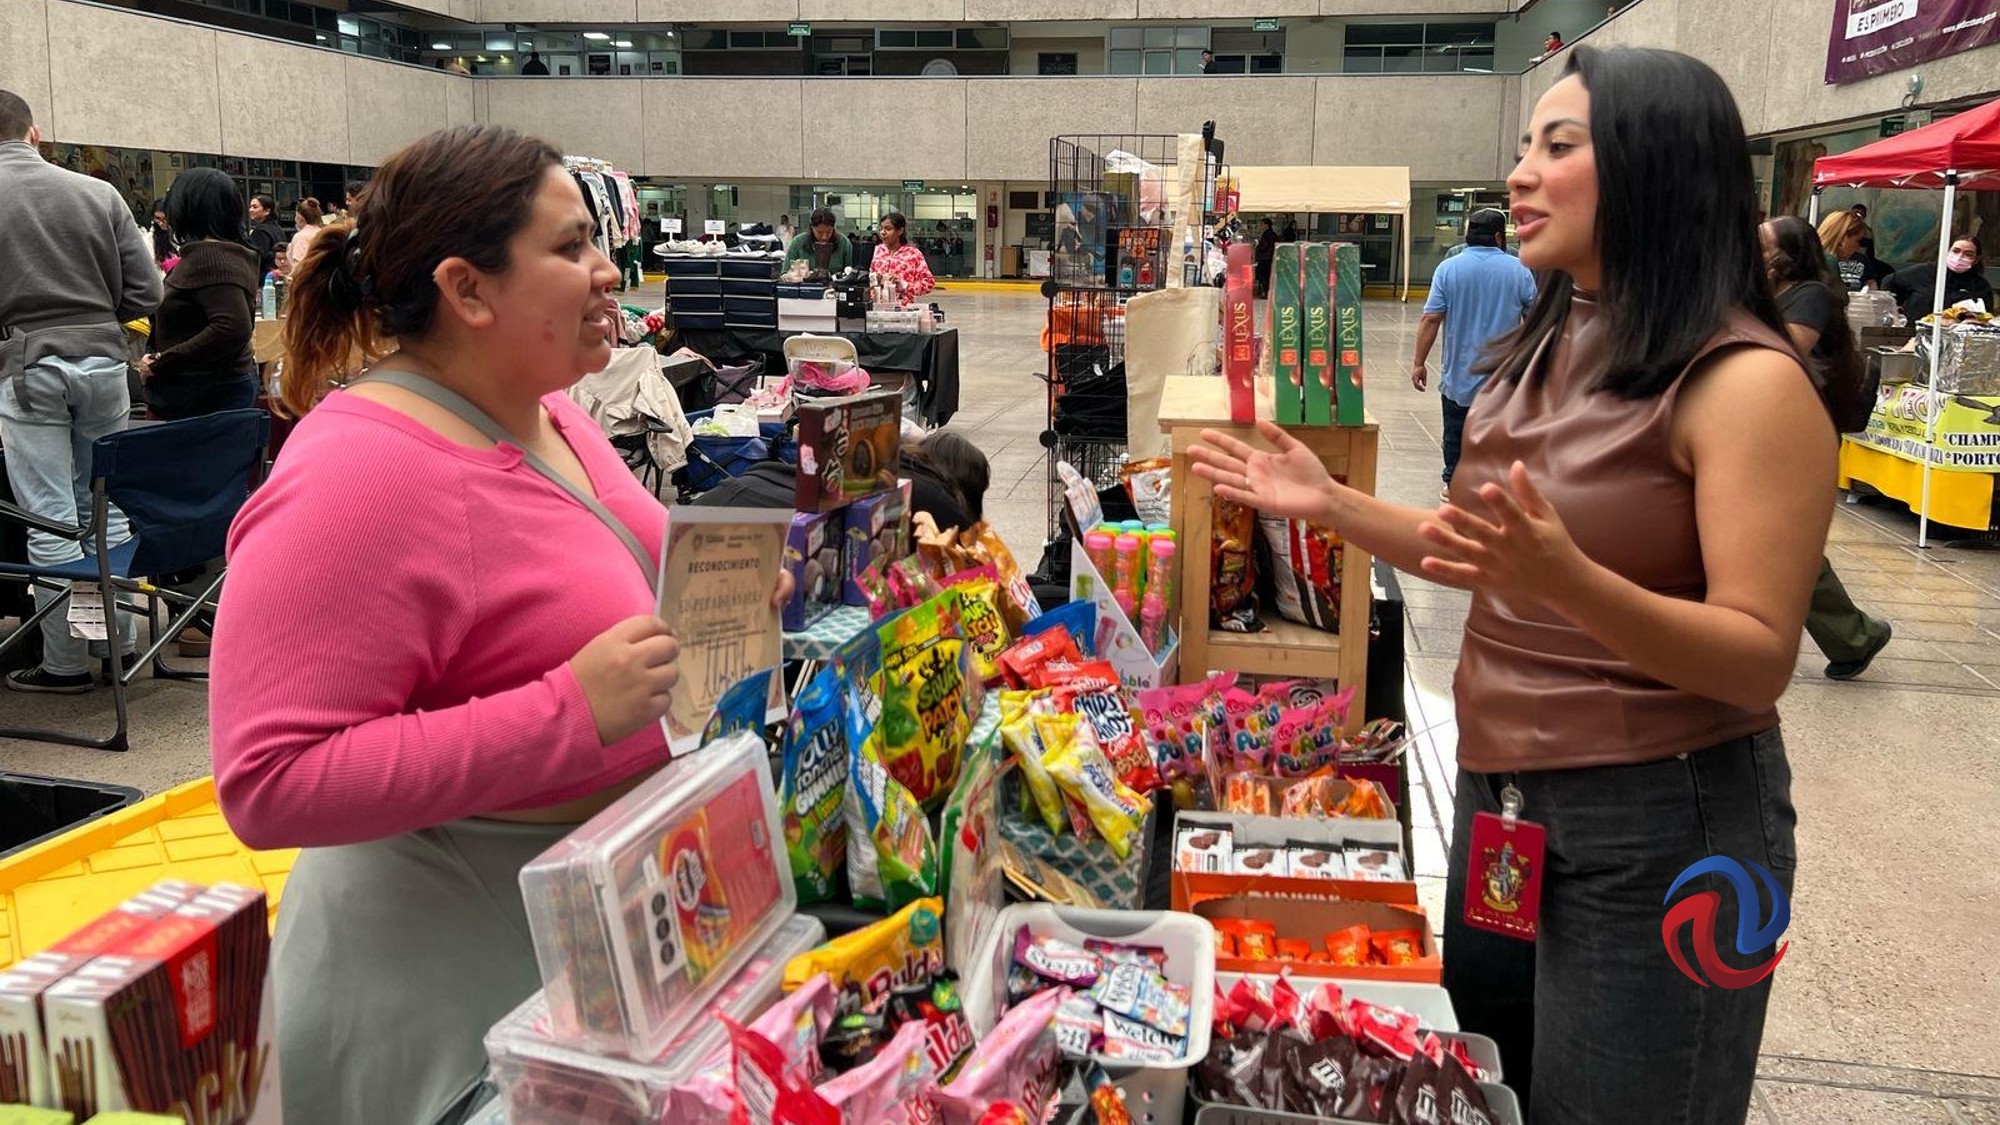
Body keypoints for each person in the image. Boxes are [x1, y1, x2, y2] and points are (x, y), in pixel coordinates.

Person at [1189, 47, 1827, 1124]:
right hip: (1507, 806)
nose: (1519, 173)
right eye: (1524, 144)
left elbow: (1757, 653)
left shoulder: (1747, 383)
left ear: (1655, 166)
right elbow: (1472, 550)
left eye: (1558, 146)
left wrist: (1569, 582)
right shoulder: (1549, 341)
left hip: (1664, 825)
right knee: (1490, 1085)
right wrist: (1333, 505)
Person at [208, 124, 788, 1125]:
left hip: (585, 948)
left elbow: (628, 571)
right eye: (570, 247)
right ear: (467, 290)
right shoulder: (355, 474)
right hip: (446, 1002)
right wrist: (569, 711)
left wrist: (733, 593)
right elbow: (269, 780)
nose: (608, 272)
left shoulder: (554, 415)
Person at [0, 88, 159, 693]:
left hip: (27, 365)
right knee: (106, 509)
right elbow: (148, 294)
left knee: (49, 520)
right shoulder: (99, 193)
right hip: (104, 365)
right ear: (34, 133)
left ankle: (64, 665)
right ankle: (118, 645)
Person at [1760, 215, 1893, 680]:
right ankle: (1852, 636)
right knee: (1774, 538)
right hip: (1772, 424)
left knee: (1783, 538)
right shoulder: (1772, 293)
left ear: (1789, 253)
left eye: (1764, 243)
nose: (1755, 250)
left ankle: (1853, 635)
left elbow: (1785, 349)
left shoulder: (1811, 294)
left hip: (1801, 428)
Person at [1411, 208, 1536, 497]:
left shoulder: (1448, 268)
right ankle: (1494, 484)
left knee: (1455, 429)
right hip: (1502, 376)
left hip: (1459, 373)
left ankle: (1453, 482)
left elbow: (1431, 318)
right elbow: (1534, 319)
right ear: (1498, 236)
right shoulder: (1519, 269)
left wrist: (1419, 363)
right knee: (1498, 431)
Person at [141, 167, 260, 421]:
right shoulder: (229, 252)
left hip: (204, 392)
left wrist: (162, 362)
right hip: (211, 387)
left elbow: (232, 328)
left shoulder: (211, 257)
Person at [1886, 235, 1993, 323]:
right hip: (1913, 334)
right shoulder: (1923, 272)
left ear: (1976, 260)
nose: (1960, 257)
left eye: (1968, 254)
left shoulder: (1980, 286)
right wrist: (1895, 310)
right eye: (1956, 251)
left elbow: (1985, 318)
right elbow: (1889, 282)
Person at [871, 212, 936, 304]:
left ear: (900, 231)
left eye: (888, 229)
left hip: (903, 308)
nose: (883, 232)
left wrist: (904, 285)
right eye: (881, 229)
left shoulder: (913, 254)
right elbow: (863, 279)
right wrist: (874, 279)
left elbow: (929, 284)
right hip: (876, 307)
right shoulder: (875, 251)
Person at [784, 206, 852, 274]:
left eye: (828, 232)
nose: (824, 237)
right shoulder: (798, 243)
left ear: (833, 228)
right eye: (819, 232)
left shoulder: (844, 243)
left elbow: (851, 273)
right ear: (812, 227)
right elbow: (785, 273)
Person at [1816, 209, 1872, 292]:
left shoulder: (1810, 258)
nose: (1858, 247)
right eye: (1858, 241)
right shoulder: (1828, 262)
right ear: (1842, 239)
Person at [245, 193, 283, 279]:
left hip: (264, 277)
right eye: (250, 207)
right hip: (278, 274)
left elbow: (259, 256)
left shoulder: (260, 231)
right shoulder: (278, 228)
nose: (250, 210)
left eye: (255, 207)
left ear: (267, 211)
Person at [288, 198, 325, 279]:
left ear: (300, 218)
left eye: (295, 216)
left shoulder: (301, 237)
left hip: (308, 281)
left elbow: (299, 265)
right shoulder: (324, 233)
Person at [1253, 217, 1277, 298]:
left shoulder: (1266, 234)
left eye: (1262, 224)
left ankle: (1266, 293)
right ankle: (1268, 292)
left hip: (1265, 258)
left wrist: (1258, 246)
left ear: (1266, 225)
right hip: (1270, 257)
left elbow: (1263, 246)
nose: (1261, 226)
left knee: (1264, 276)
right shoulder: (1272, 234)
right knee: (1268, 275)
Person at [150, 201, 175, 265]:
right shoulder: (150, 238)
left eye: (165, 219)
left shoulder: (179, 235)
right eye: (157, 218)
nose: (161, 223)